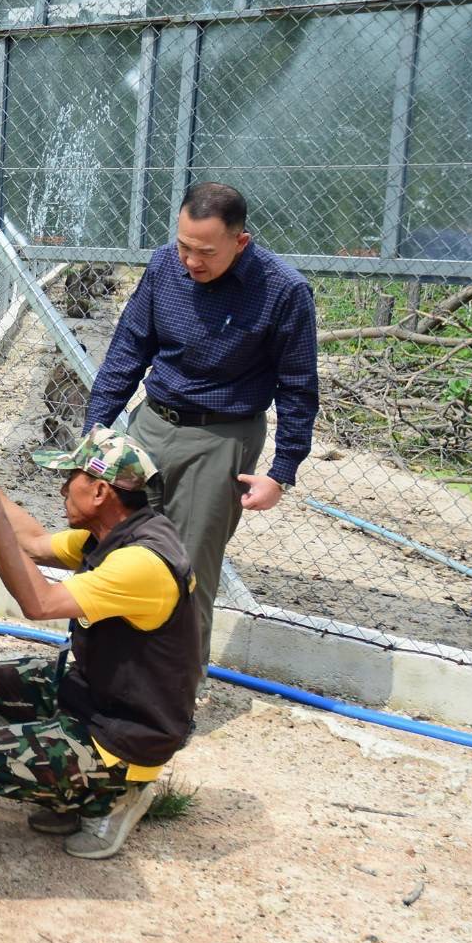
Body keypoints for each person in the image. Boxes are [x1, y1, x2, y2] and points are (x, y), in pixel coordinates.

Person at [84, 182, 318, 669]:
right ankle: (102, 672)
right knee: (114, 548)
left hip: (222, 436)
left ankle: (171, 701)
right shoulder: (164, 265)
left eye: (205, 252)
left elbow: (298, 386)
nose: (191, 261)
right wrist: (98, 427)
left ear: (241, 242)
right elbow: (130, 346)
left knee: (185, 571)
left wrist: (282, 472)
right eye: (184, 246)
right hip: (151, 422)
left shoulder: (283, 291)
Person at [0, 426, 201, 859]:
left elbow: (38, 601)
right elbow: (32, 543)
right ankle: (67, 794)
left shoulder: (140, 563)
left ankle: (117, 794)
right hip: (103, 697)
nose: (63, 486)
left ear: (101, 492)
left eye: (73, 478)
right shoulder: (116, 533)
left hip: (128, 733)